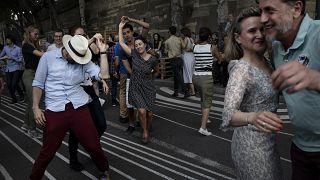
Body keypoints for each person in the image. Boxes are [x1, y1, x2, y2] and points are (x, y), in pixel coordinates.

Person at [30, 34, 110, 180]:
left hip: (79, 106)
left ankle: (104, 169)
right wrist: (35, 107)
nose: (76, 61)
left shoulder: (83, 59)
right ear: (67, 49)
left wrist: (103, 52)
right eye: (74, 57)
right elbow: (38, 83)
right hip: (55, 108)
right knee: (48, 151)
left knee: (92, 144)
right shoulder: (48, 57)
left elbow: (104, 75)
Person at [259, 0, 320, 179]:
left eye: (270, 11)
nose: (262, 19)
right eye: (261, 11)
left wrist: (315, 78)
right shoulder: (277, 47)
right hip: (300, 148)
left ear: (296, 8)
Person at [221, 7, 284, 179]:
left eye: (262, 29)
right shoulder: (241, 70)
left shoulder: (267, 61)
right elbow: (228, 114)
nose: (260, 35)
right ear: (238, 38)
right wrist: (252, 117)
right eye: (252, 31)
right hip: (251, 147)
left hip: (269, 141)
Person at [67, 26, 109, 171]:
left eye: (84, 36)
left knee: (101, 124)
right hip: (75, 92)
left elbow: (98, 69)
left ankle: (92, 146)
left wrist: (103, 80)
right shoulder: (68, 55)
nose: (83, 38)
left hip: (89, 89)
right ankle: (73, 158)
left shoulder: (87, 53)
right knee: (75, 130)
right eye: (79, 36)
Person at [119, 20, 159, 144]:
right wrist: (120, 27)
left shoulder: (152, 59)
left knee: (149, 114)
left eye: (140, 44)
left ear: (145, 45)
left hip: (148, 87)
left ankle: (147, 126)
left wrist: (150, 79)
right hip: (136, 86)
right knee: (141, 111)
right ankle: (145, 132)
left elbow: (157, 71)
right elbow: (121, 42)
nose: (138, 47)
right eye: (136, 45)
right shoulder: (134, 55)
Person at [118, 16, 150, 135]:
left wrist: (131, 19)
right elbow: (127, 68)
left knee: (144, 105)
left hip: (145, 79)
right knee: (130, 105)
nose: (127, 35)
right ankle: (131, 125)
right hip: (131, 79)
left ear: (132, 32)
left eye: (128, 32)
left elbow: (147, 26)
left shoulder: (139, 43)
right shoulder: (123, 50)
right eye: (124, 33)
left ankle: (144, 124)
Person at [193, 27, 223, 136]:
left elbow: (195, 45)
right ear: (209, 36)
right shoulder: (212, 47)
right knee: (207, 103)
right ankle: (203, 127)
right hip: (206, 78)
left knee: (202, 98)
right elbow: (220, 59)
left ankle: (206, 119)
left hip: (196, 77)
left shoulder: (194, 46)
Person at [21, 25, 44, 138]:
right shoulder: (26, 45)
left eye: (38, 34)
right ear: (29, 34)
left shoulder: (34, 45)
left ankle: (26, 125)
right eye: (35, 34)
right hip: (29, 75)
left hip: (34, 74)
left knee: (31, 102)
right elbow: (41, 55)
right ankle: (32, 129)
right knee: (35, 103)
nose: (37, 36)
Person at [0, 34, 24, 104]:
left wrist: (12, 58)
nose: (7, 40)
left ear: (12, 40)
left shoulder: (18, 49)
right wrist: (3, 59)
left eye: (8, 39)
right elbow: (0, 56)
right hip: (8, 69)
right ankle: (14, 99)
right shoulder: (5, 48)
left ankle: (21, 95)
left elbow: (20, 60)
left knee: (14, 84)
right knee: (9, 85)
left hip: (16, 68)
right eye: (6, 39)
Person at [164, 26, 186, 97]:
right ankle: (176, 91)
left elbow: (165, 51)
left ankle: (185, 90)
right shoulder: (179, 39)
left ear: (169, 32)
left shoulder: (167, 41)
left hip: (173, 59)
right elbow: (183, 47)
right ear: (175, 32)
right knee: (176, 76)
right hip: (180, 59)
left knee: (178, 76)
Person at [180, 27, 195, 96]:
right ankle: (191, 89)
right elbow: (193, 47)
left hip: (187, 57)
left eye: (181, 33)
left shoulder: (186, 39)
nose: (181, 35)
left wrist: (181, 40)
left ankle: (193, 91)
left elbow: (183, 47)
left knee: (188, 73)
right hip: (192, 56)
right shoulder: (191, 39)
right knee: (191, 73)